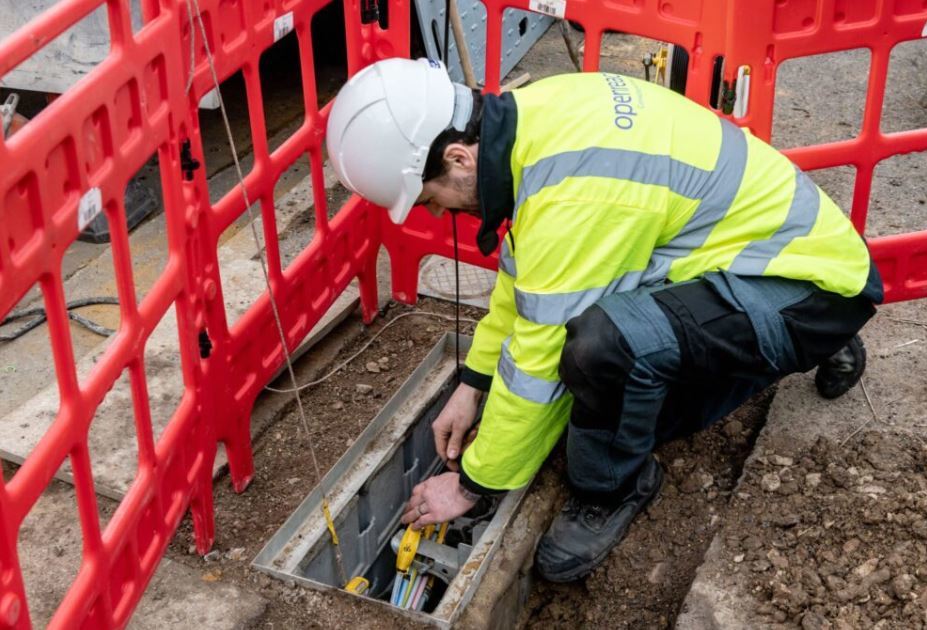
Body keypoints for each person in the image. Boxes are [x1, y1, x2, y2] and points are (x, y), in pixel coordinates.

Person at [325, 58, 882, 582]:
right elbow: (528, 284)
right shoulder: (536, 119)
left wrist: (473, 483)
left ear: (458, 159)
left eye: (430, 198)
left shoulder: (575, 193)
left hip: (807, 287)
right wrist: (475, 382)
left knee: (601, 353)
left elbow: (544, 357)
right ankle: (805, 336)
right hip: (775, 252)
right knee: (605, 353)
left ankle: (613, 488)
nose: (440, 212)